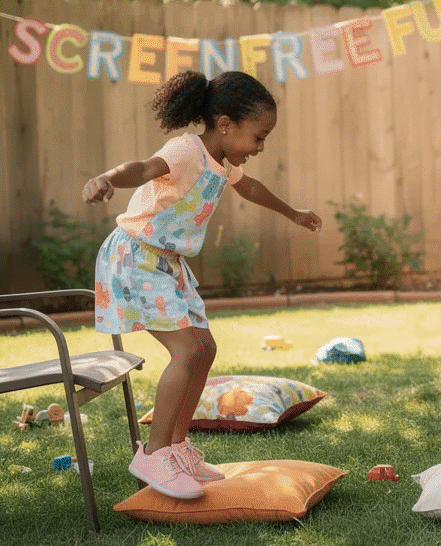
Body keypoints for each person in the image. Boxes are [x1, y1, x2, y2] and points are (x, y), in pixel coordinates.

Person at [83, 69, 322, 498]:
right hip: (137, 257)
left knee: (205, 350)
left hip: (168, 264)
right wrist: (106, 178)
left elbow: (251, 188)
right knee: (187, 349)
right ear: (226, 124)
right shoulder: (186, 150)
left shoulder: (220, 163)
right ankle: (152, 454)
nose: (261, 146)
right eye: (259, 136)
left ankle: (176, 447)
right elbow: (141, 168)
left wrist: (293, 213)